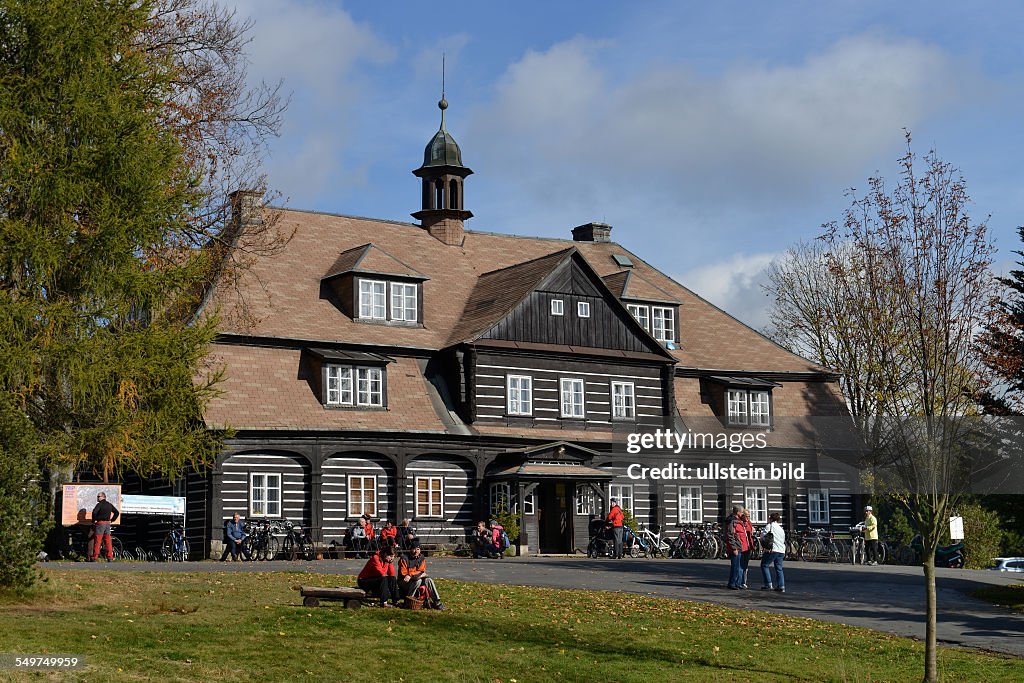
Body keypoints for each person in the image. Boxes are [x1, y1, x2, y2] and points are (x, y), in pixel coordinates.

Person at [398, 542, 446, 609]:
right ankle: (408, 601)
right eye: (414, 549)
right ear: (410, 549)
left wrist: (411, 574)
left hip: (414, 578)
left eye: (418, 549)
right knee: (418, 581)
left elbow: (421, 571)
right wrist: (416, 574)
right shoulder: (404, 558)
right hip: (404, 582)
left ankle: (437, 602)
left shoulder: (421, 558)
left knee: (428, 580)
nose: (416, 551)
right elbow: (404, 574)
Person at [760, 512, 786, 593]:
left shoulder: (769, 526)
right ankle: (781, 586)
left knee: (764, 565)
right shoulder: (781, 528)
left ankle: (768, 584)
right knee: (779, 568)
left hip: (773, 549)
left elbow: (762, 536)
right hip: (781, 550)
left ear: (770, 518)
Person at [90, 491, 119, 562]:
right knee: (108, 541)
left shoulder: (99, 504)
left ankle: (94, 557)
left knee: (98, 540)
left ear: (103, 497)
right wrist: (112, 520)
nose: (97, 498)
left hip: (100, 524)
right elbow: (117, 512)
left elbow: (94, 512)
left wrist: (94, 520)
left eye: (98, 496)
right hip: (107, 524)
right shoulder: (109, 505)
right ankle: (110, 557)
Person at [724, 506, 748, 589]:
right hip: (736, 547)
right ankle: (732, 583)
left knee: (739, 566)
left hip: (740, 546)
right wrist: (734, 548)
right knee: (735, 566)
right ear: (737, 512)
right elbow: (730, 535)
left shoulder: (739, 521)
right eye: (741, 512)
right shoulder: (732, 522)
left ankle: (737, 583)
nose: (742, 514)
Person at [739, 508, 755, 588]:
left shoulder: (749, 523)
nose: (748, 518)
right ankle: (739, 581)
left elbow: (751, 533)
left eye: (749, 516)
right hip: (742, 546)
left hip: (748, 546)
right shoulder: (740, 523)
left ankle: (743, 581)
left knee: (745, 565)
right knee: (740, 565)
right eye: (747, 516)